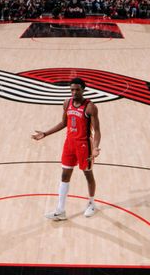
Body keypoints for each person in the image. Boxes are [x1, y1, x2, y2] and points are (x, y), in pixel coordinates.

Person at [32, 77, 101, 220]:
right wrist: (45, 133)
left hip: (84, 146)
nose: (74, 92)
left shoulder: (90, 107)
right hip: (69, 144)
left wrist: (95, 147)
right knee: (64, 175)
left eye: (77, 89)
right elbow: (63, 123)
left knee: (88, 174)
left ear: (83, 90)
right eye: (72, 90)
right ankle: (60, 210)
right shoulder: (67, 103)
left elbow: (98, 130)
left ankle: (92, 203)